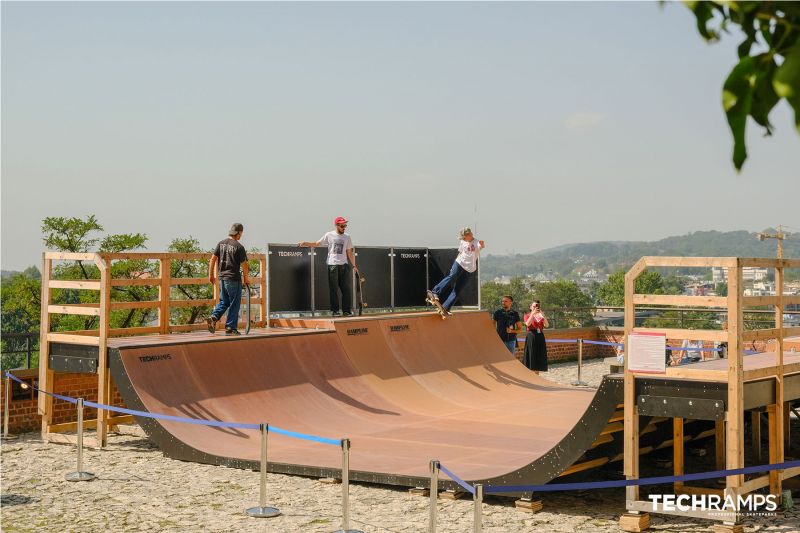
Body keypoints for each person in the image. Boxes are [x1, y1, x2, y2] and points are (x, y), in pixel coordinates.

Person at [298, 216, 359, 316]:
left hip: (344, 265)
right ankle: (335, 311)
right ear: (337, 225)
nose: (344, 227)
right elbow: (317, 243)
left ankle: (347, 311)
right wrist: (305, 243)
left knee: (346, 290)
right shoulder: (329, 235)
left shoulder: (347, 237)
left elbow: (349, 252)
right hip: (332, 266)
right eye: (342, 225)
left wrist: (354, 265)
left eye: (345, 225)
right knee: (333, 289)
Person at [427, 227, 484, 312]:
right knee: (452, 276)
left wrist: (482, 244)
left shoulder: (476, 242)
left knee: (458, 289)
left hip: (470, 269)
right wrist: (454, 264)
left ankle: (446, 307)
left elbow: (481, 246)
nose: (466, 238)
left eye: (468, 235)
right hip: (459, 263)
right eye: (465, 237)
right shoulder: (462, 242)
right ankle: (435, 292)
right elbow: (460, 252)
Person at [207, 223, 249, 335]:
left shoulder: (220, 243)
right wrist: (246, 278)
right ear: (239, 233)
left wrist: (211, 275)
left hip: (222, 278)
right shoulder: (239, 247)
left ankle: (214, 316)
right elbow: (244, 265)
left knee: (224, 301)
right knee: (235, 303)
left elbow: (212, 259)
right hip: (234, 279)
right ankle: (231, 327)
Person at [523, 300, 549, 374]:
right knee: (532, 355)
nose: (536, 308)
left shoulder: (540, 315)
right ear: (530, 307)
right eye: (534, 306)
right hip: (532, 335)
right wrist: (532, 314)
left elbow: (547, 325)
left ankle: (537, 374)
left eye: (537, 306)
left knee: (539, 355)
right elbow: (527, 324)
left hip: (540, 335)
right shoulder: (527, 315)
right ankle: (531, 374)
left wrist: (543, 316)